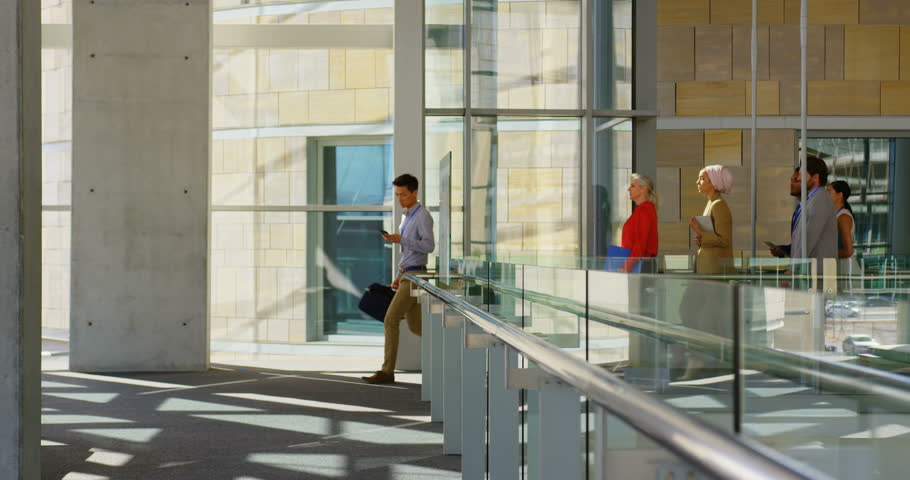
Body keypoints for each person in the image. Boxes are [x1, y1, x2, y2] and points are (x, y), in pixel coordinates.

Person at [362, 174, 435, 384]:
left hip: (417, 276)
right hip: (408, 274)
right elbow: (408, 253)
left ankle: (387, 371)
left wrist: (401, 239)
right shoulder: (407, 216)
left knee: (390, 319)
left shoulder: (422, 216)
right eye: (397, 194)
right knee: (416, 327)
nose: (400, 198)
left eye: (403, 194)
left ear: (415, 192)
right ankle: (450, 350)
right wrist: (398, 275)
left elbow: (429, 246)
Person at [769, 155, 837, 276]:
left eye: (802, 175)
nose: (799, 178)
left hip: (816, 274)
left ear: (815, 178)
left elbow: (809, 238)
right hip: (809, 272)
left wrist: (793, 269)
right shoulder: (811, 200)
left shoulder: (820, 200)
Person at [689, 165, 735, 274]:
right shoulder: (711, 203)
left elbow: (724, 240)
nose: (697, 182)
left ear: (714, 182)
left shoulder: (718, 205)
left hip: (715, 269)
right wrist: (701, 240)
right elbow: (713, 237)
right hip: (709, 267)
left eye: (702, 178)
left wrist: (699, 231)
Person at [620, 173, 659, 273]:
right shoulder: (642, 210)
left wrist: (626, 267)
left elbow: (640, 245)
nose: (629, 189)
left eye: (633, 186)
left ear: (643, 189)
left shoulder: (645, 210)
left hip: (640, 265)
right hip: (638, 263)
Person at [827, 180, 862, 283]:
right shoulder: (835, 215)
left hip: (846, 269)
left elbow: (848, 251)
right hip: (839, 267)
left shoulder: (843, 217)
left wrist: (824, 254)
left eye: (829, 192)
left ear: (839, 195)